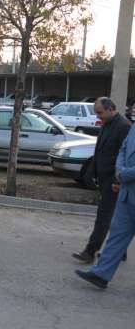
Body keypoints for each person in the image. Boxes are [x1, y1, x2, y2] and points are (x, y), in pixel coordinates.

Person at [75, 123, 135, 289]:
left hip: (128, 182)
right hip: (127, 193)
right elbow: (123, 150)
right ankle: (101, 274)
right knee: (116, 236)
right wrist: (120, 171)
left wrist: (124, 174)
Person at [72, 97, 130, 264]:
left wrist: (118, 181)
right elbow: (100, 149)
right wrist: (94, 172)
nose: (98, 116)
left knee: (103, 216)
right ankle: (120, 251)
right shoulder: (107, 123)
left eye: (100, 112)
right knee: (115, 216)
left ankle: (90, 251)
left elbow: (124, 157)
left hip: (114, 180)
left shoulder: (124, 127)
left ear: (111, 109)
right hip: (103, 177)